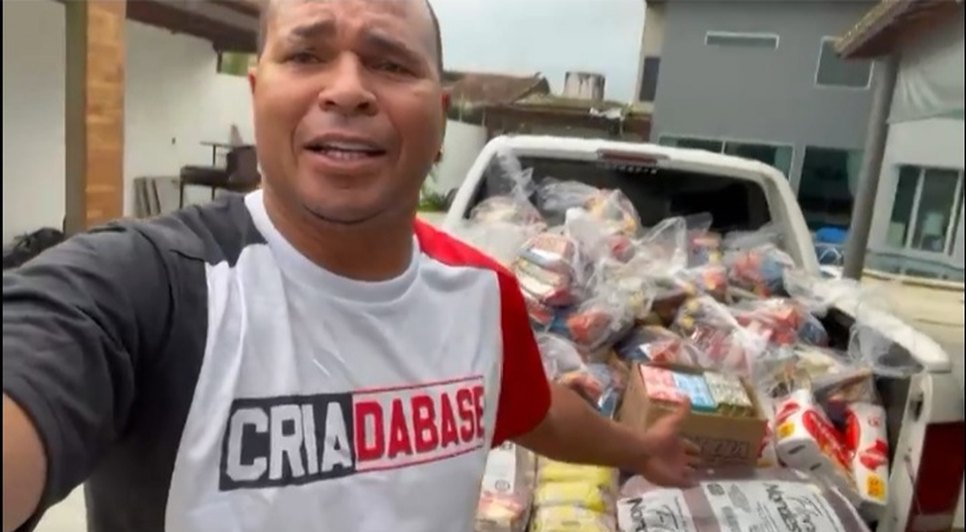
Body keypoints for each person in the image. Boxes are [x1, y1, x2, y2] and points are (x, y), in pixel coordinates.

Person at [2, 1, 699, 531]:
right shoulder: (151, 287)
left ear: (440, 118)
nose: (347, 90)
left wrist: (638, 450)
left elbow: (534, 411)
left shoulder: (481, 294)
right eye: (306, 55)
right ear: (256, 94)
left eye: (391, 64)